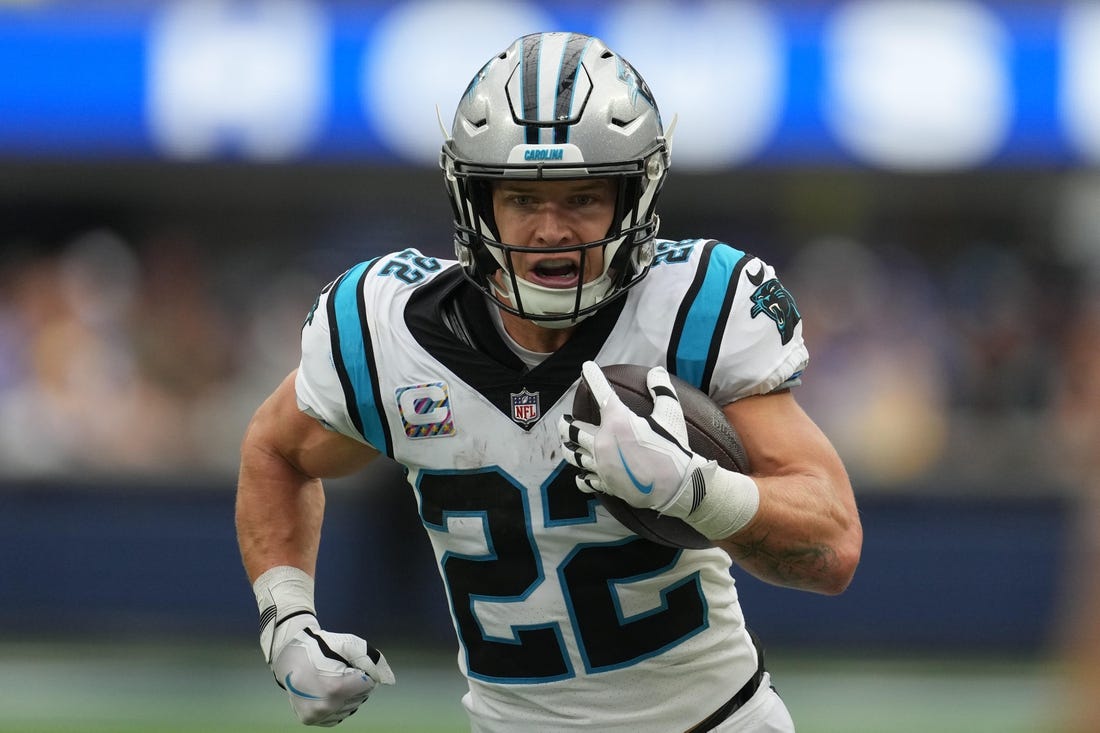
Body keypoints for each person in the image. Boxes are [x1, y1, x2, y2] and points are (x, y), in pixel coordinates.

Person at [236, 31, 862, 732]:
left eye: (583, 198)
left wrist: (695, 489)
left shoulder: (690, 312)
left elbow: (833, 547)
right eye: (522, 200)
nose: (550, 229)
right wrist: (286, 619)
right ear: (476, 202)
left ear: (633, 198)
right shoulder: (390, 330)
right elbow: (276, 449)